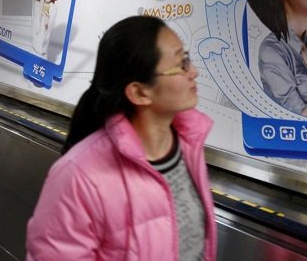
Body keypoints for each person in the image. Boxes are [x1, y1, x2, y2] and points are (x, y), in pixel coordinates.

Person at [26, 16, 217, 260]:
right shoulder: (79, 176)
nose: (194, 72)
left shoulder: (189, 146)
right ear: (139, 92)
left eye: (187, 59)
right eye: (181, 65)